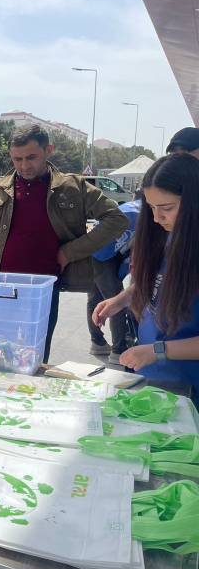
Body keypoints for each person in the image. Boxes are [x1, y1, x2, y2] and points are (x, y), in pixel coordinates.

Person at [0, 125, 128, 362]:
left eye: (31, 157)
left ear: (48, 150)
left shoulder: (74, 187)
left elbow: (117, 220)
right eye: (17, 159)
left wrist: (69, 252)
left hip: (42, 292)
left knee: (34, 359)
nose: (24, 165)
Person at [93, 153, 199, 404]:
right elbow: (159, 279)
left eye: (167, 208)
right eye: (151, 207)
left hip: (189, 388)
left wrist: (158, 351)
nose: (155, 218)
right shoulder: (170, 233)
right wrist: (122, 299)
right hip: (153, 380)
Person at [86, 190, 142, 364]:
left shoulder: (134, 209)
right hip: (102, 254)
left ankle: (98, 343)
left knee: (95, 299)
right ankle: (119, 350)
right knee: (116, 301)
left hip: (93, 251)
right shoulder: (146, 214)